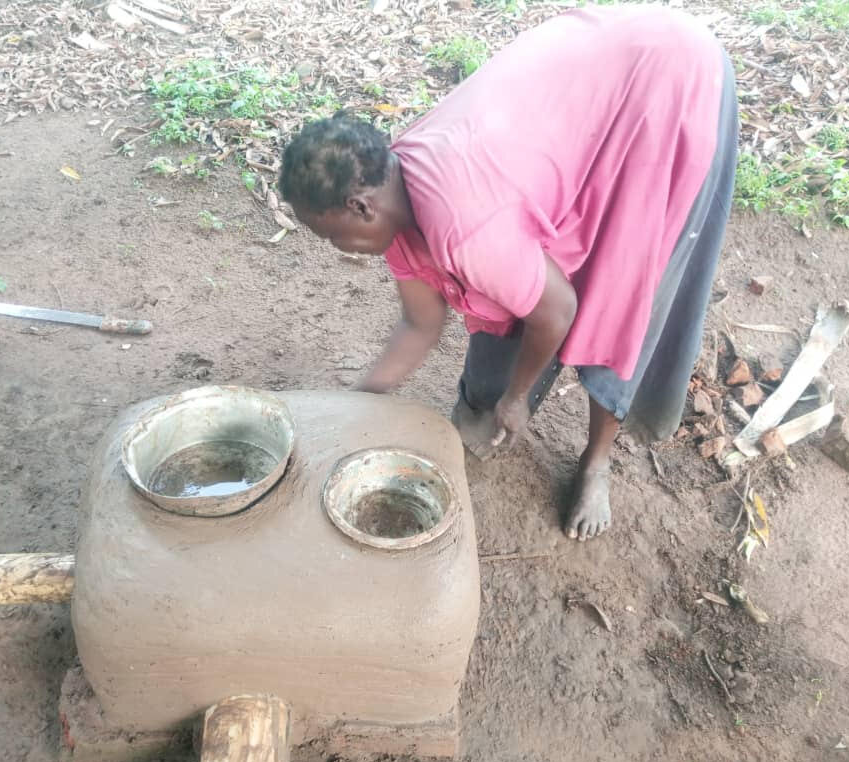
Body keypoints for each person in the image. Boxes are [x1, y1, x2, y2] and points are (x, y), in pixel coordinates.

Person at [278, 5, 738, 542]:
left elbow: (557, 309)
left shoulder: (468, 228)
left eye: (332, 235)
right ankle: (486, 404)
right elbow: (420, 324)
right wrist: (354, 404)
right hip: (586, 86)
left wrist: (516, 397)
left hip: (666, 82)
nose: (338, 248)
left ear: (360, 207)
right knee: (519, 288)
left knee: (623, 296)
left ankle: (597, 461)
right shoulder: (391, 194)